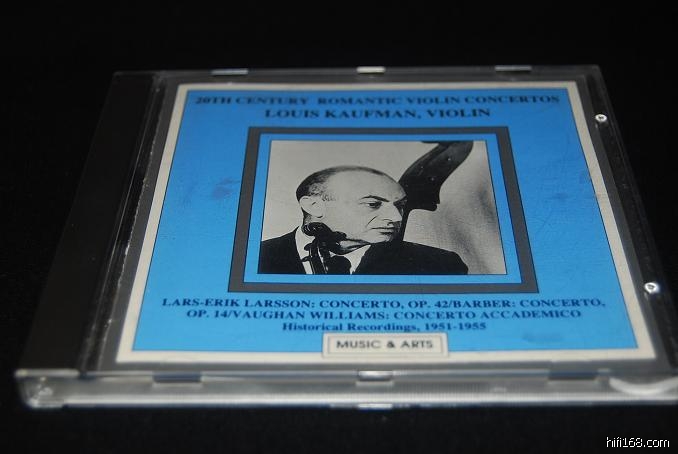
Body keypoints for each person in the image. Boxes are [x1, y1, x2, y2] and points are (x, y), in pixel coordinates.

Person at [258, 166, 468, 275]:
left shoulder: (440, 264)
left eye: (400, 206)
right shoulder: (257, 259)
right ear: (314, 206)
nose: (396, 217)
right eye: (372, 204)